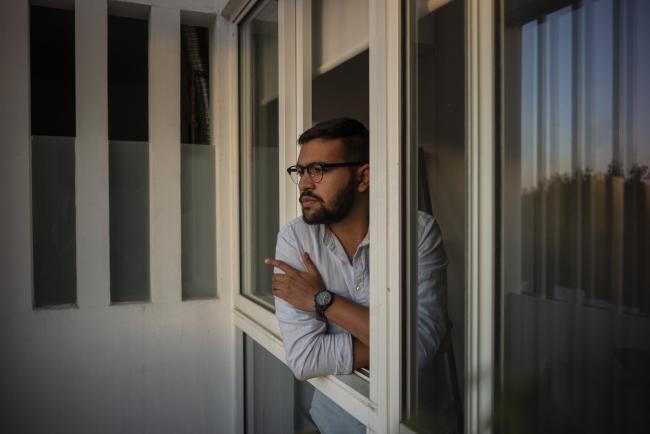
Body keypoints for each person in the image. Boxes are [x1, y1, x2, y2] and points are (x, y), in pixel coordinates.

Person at [264, 118, 449, 433]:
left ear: (363, 177)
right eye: (300, 170)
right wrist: (402, 345)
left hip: (414, 420)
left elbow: (418, 349)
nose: (304, 183)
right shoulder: (296, 240)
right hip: (338, 419)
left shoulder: (416, 233)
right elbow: (305, 358)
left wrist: (322, 300)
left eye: (318, 169)